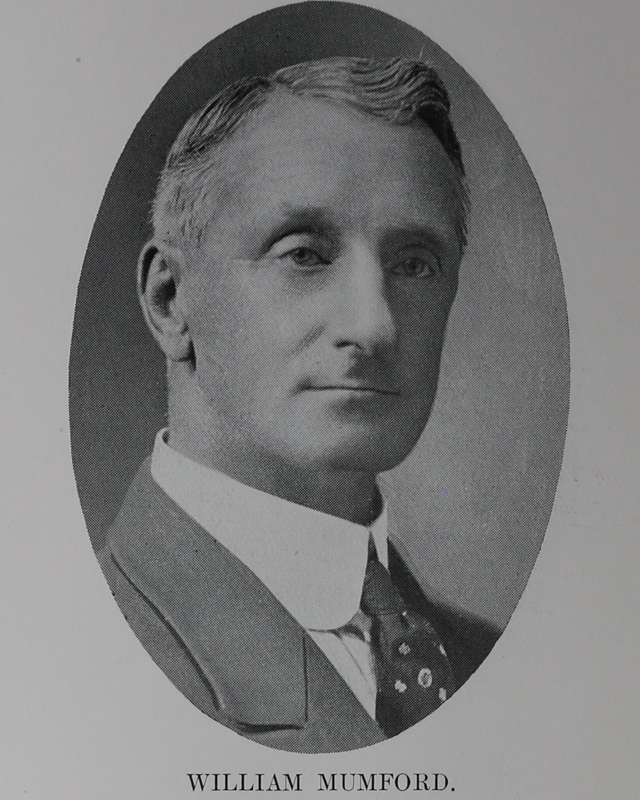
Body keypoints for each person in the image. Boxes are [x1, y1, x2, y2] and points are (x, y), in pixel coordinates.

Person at [99, 56, 500, 753]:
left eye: (414, 264)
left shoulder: (486, 660)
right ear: (170, 300)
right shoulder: (83, 653)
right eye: (305, 255)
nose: (375, 325)